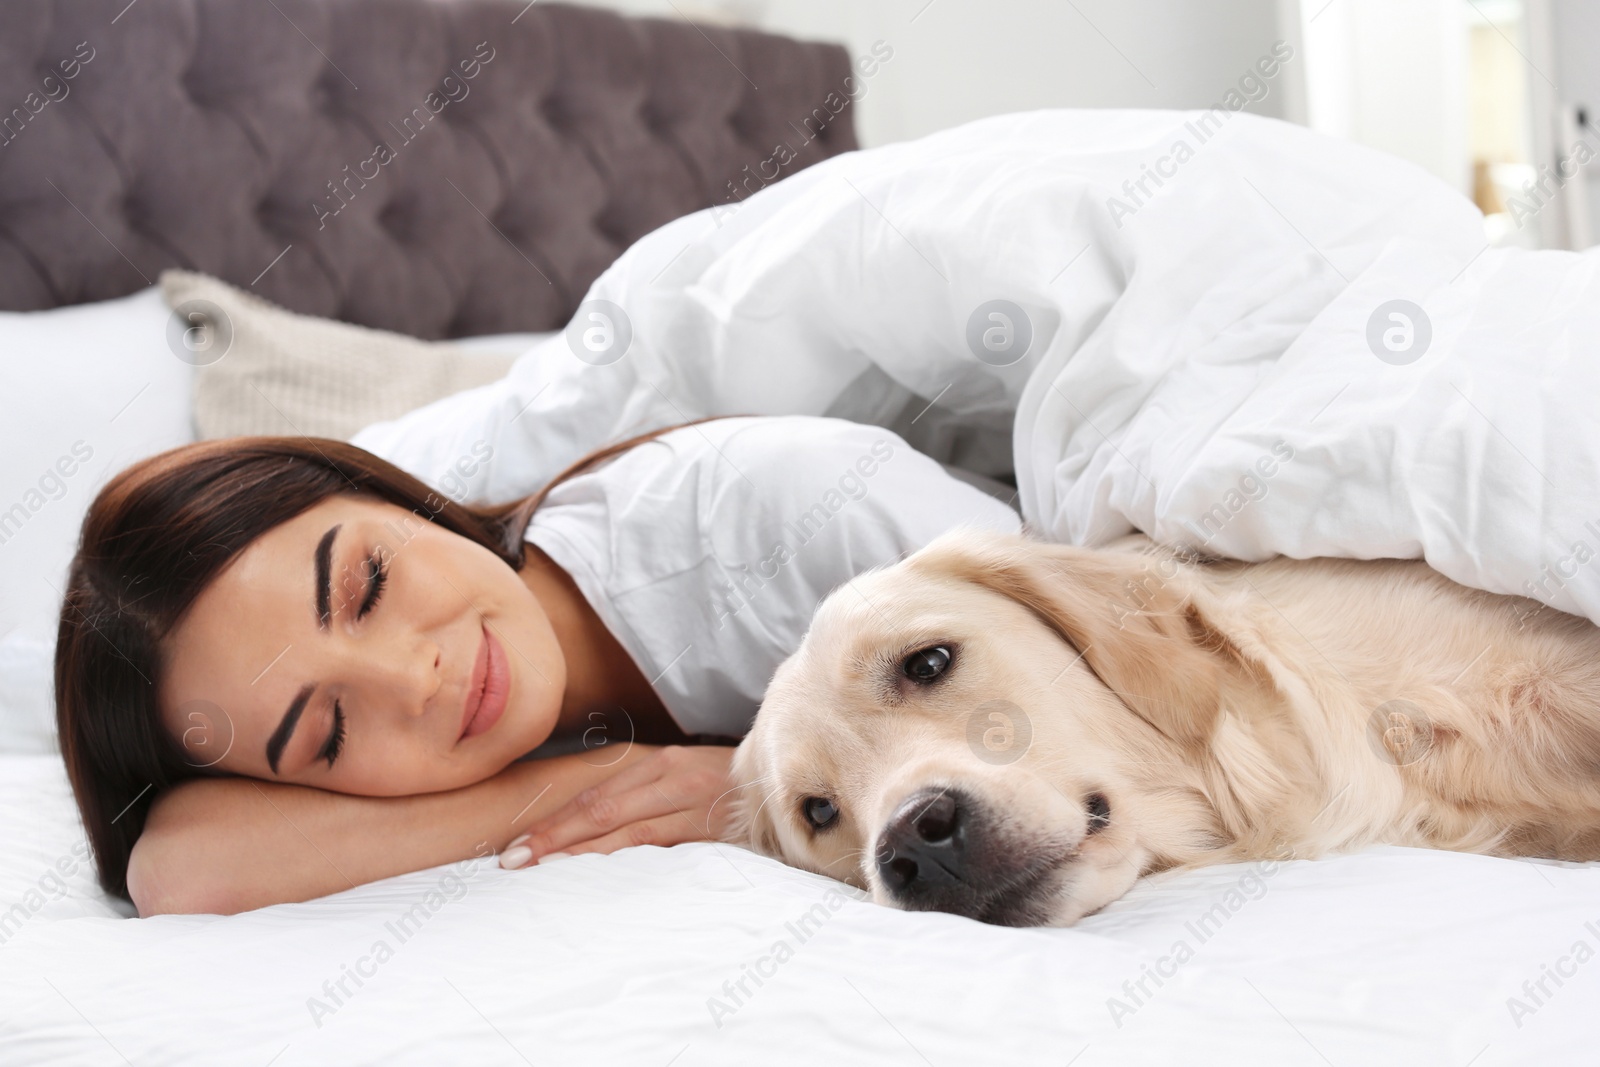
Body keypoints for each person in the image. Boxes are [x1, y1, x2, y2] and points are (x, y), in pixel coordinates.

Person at [54, 414, 1022, 916]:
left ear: (386, 490)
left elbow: (1084, 658)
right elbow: (178, 867)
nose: (414, 677)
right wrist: (606, 784)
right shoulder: (516, 736)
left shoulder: (775, 518)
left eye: (367, 585)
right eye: (329, 729)